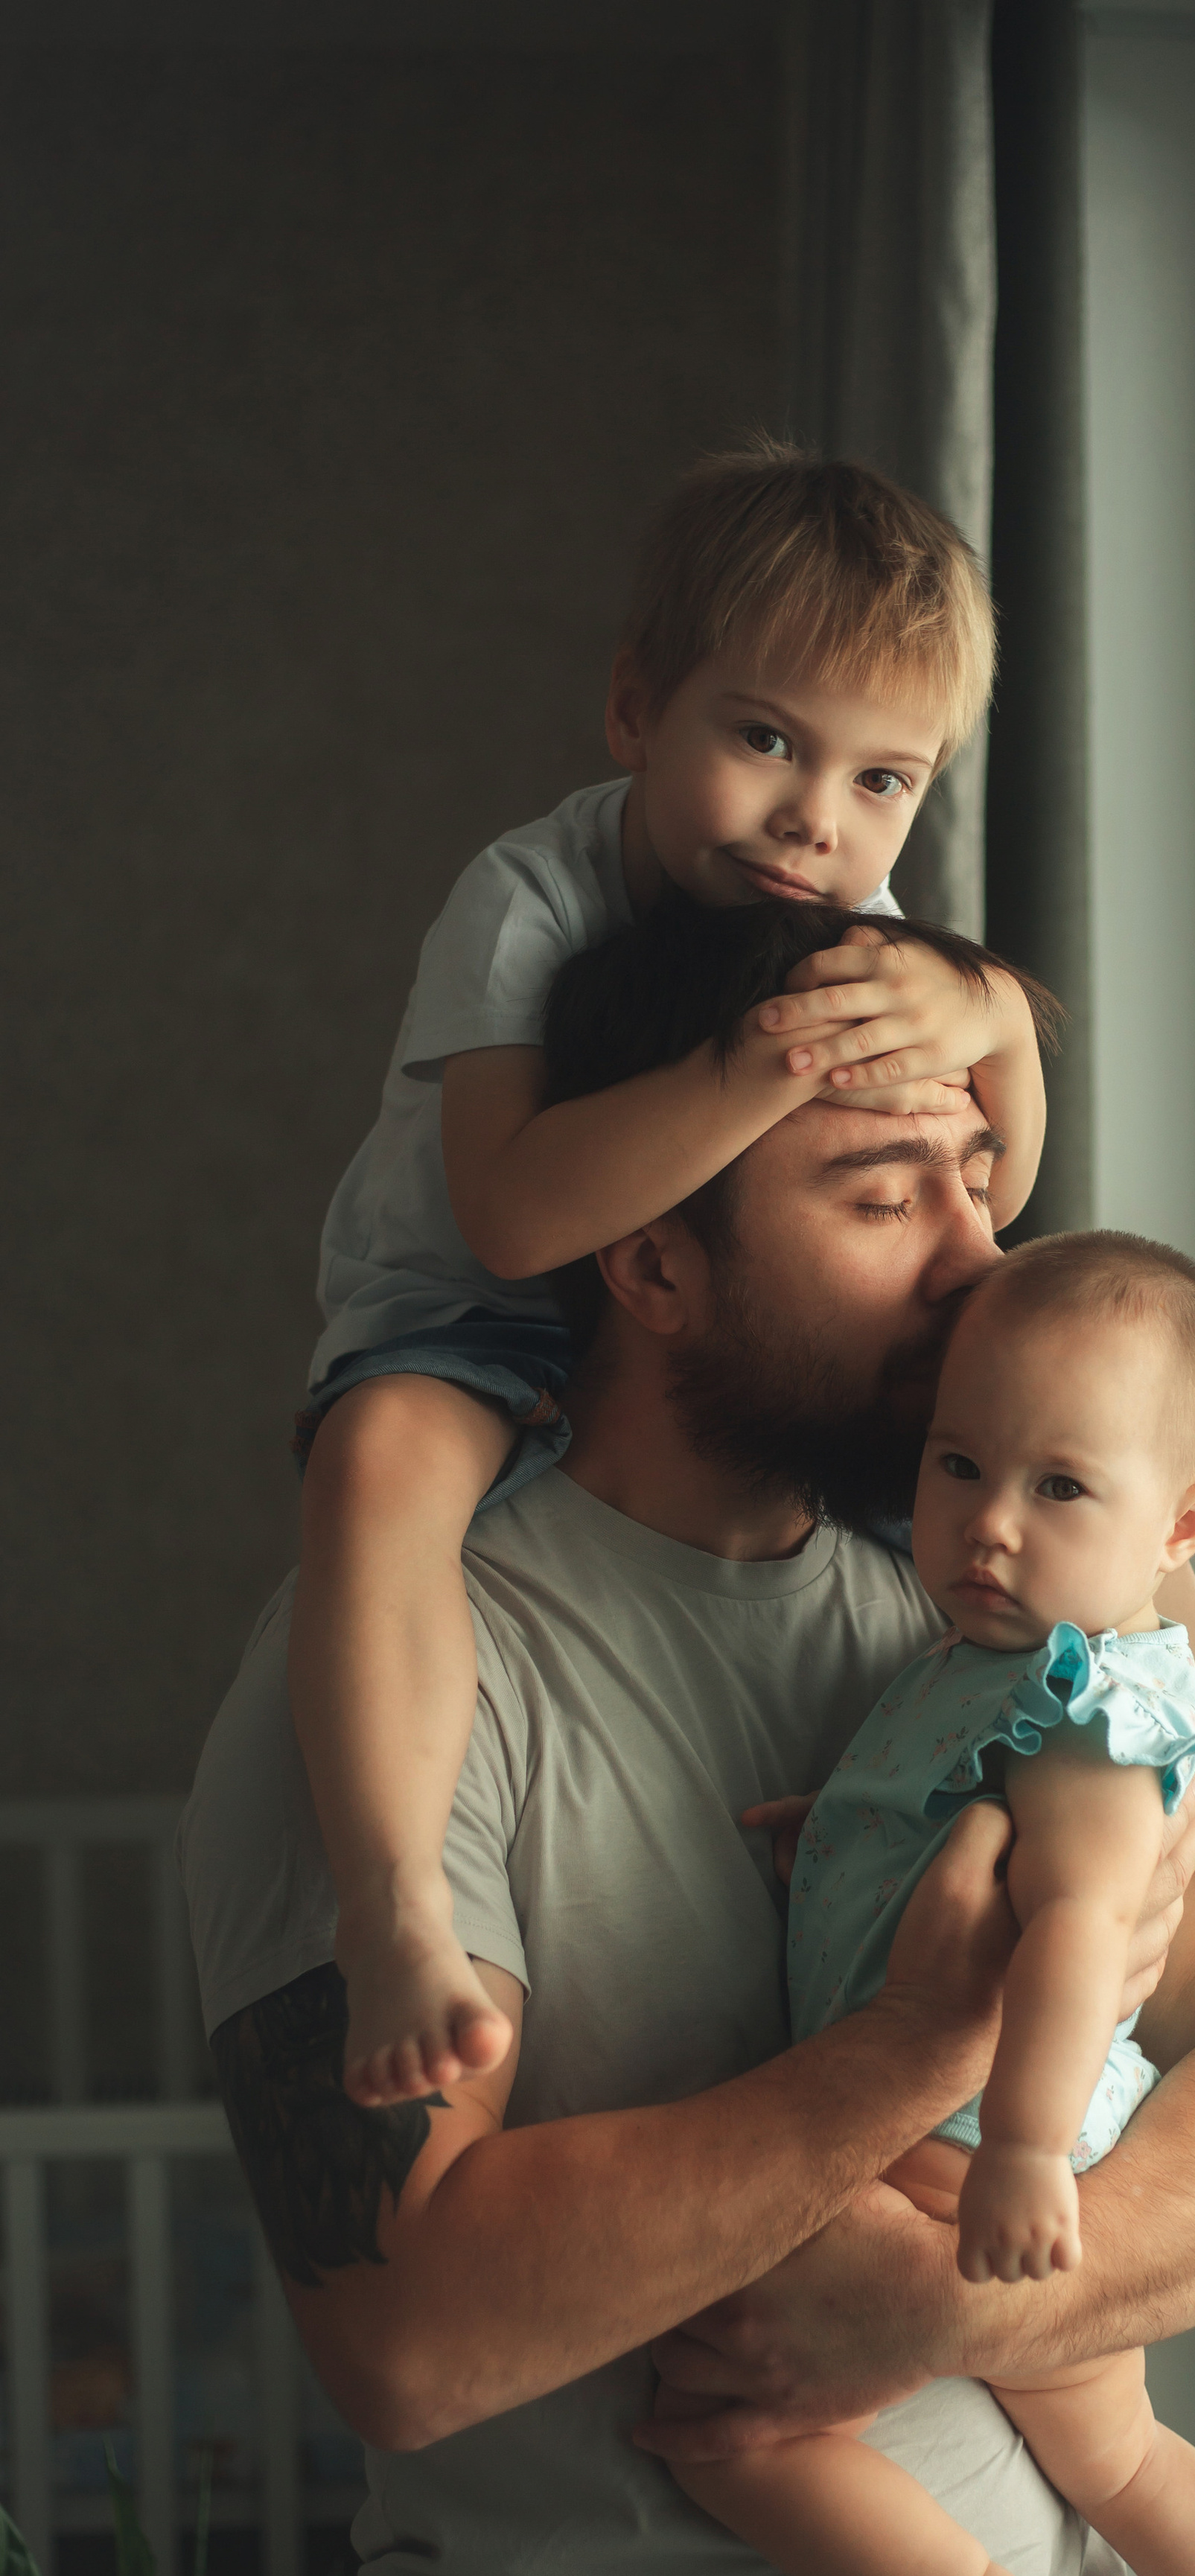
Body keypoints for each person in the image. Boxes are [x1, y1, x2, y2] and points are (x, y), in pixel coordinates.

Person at [183, 899, 1195, 2576]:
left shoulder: (984, 1622)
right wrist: (920, 2047)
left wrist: (944, 2317)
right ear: (654, 1257)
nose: (979, 1260)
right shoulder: (391, 1691)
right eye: (883, 1192)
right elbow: (406, 2339)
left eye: (981, 1175)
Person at [288, 442, 1045, 2109]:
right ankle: (397, 1905)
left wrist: (989, 1018)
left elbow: (1008, 1150)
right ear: (637, 710)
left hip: (660, 1299)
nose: (814, 820)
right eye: (766, 739)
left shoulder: (854, 903)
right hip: (471, 1310)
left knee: (1069, 1440)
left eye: (882, 780)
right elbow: (510, 1212)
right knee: (380, 1464)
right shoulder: (523, 900)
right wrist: (760, 1077)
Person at [672, 1233, 1195, 2576]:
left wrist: (1032, 2153)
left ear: (1178, 1528)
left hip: (978, 2149)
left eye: (1059, 1489)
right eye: (958, 1465)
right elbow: (944, 1841)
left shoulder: (1091, 1717)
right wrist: (839, 1836)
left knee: (722, 2421)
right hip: (962, 2137)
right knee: (1116, 2461)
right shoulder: (981, 1663)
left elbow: (1075, 1937)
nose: (985, 1523)